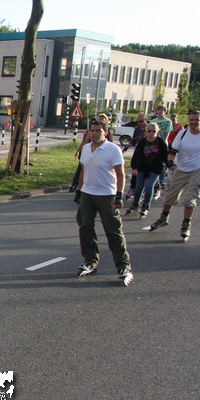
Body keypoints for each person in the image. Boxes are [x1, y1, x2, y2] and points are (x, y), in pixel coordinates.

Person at [148, 111, 200, 240]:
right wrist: (170, 162)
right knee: (170, 196)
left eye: (197, 120)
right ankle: (163, 218)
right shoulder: (183, 133)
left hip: (198, 169)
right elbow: (173, 150)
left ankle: (186, 225)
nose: (194, 122)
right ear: (188, 121)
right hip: (181, 168)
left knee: (189, 199)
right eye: (191, 120)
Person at [75, 119, 133, 284]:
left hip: (107, 195)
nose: (94, 133)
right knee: (85, 227)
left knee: (113, 230)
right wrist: (79, 190)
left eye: (98, 131)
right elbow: (83, 170)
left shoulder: (113, 150)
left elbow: (121, 174)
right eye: (92, 130)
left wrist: (119, 195)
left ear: (105, 133)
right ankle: (90, 260)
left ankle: (123, 266)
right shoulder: (86, 148)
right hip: (88, 193)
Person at [125, 122, 168, 219]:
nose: (151, 133)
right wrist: (134, 167)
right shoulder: (142, 142)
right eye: (149, 131)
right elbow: (136, 156)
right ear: (146, 132)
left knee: (149, 186)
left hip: (155, 168)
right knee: (139, 187)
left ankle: (146, 206)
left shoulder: (161, 143)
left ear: (157, 131)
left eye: (154, 131)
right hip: (142, 167)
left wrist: (168, 165)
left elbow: (165, 156)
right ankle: (135, 205)